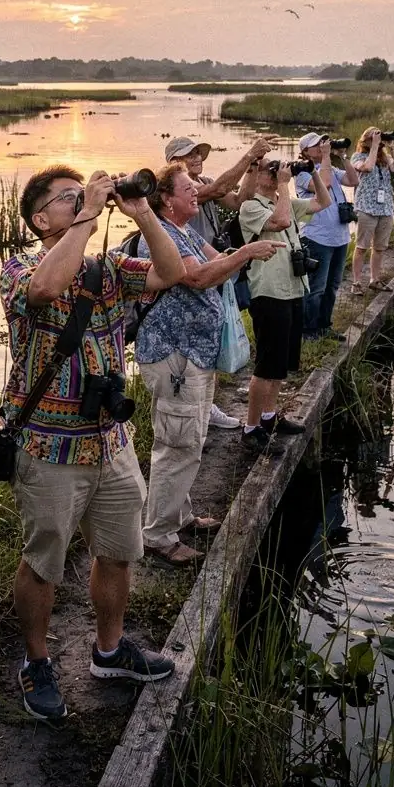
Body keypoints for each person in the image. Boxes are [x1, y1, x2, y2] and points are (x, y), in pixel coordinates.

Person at [0, 164, 186, 721]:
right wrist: (86, 217)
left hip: (110, 441)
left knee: (118, 551)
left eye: (83, 195)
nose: (83, 201)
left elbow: (171, 272)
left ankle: (109, 650)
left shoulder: (107, 270)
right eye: (68, 199)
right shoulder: (21, 265)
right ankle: (36, 662)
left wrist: (144, 213)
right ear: (39, 219)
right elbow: (46, 289)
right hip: (50, 448)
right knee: (44, 562)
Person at [134, 164, 279, 564]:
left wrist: (250, 245)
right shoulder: (158, 236)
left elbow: (220, 261)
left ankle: (179, 515)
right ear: (166, 198)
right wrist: (248, 253)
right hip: (175, 356)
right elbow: (196, 277)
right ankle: (159, 536)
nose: (197, 192)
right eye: (188, 188)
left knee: (190, 438)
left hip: (194, 354)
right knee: (177, 444)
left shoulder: (185, 232)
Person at [164, 132, 276, 425]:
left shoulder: (202, 183)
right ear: (173, 163)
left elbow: (241, 199)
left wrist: (252, 169)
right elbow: (221, 188)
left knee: (214, 330)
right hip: (193, 266)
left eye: (198, 153)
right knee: (195, 338)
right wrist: (249, 156)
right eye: (189, 155)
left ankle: (206, 404)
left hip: (213, 260)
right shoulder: (179, 191)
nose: (197, 158)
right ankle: (199, 408)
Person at [238, 156, 332, 453]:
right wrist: (282, 184)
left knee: (281, 364)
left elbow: (323, 202)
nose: (275, 173)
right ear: (256, 176)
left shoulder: (284, 199)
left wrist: (312, 170)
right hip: (268, 293)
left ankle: (269, 417)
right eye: (269, 169)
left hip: (292, 289)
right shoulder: (250, 207)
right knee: (266, 364)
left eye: (275, 169)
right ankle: (251, 427)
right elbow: (281, 221)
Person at [295, 133, 359, 340]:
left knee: (332, 287)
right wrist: (326, 158)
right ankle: (309, 330)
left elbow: (353, 179)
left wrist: (342, 156)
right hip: (317, 239)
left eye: (323, 144)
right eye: (317, 146)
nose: (322, 147)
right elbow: (325, 184)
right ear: (305, 152)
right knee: (316, 288)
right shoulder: (303, 173)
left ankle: (324, 326)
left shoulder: (330, 167)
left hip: (340, 238)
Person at [350, 127, 394, 293]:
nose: (378, 141)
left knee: (379, 248)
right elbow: (367, 167)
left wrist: (391, 147)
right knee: (361, 247)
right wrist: (374, 146)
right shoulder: (357, 157)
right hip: (366, 207)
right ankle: (356, 283)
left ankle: (374, 279)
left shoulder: (385, 158)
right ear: (365, 140)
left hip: (385, 207)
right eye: (374, 138)